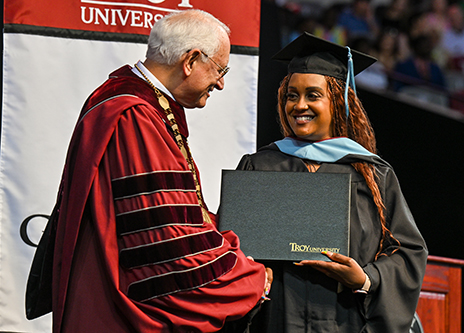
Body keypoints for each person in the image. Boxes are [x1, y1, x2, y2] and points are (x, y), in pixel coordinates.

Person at [25, 9, 271, 333]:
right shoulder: (135, 118)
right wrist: (247, 278)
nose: (221, 83)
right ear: (191, 60)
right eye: (219, 69)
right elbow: (166, 241)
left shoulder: (129, 102)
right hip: (118, 314)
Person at [236, 32, 428, 332]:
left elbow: (408, 252)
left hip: (346, 320)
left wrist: (366, 279)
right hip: (275, 321)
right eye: (291, 95)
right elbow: (231, 247)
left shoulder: (372, 174)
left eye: (313, 95)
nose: (299, 105)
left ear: (338, 101)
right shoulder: (260, 166)